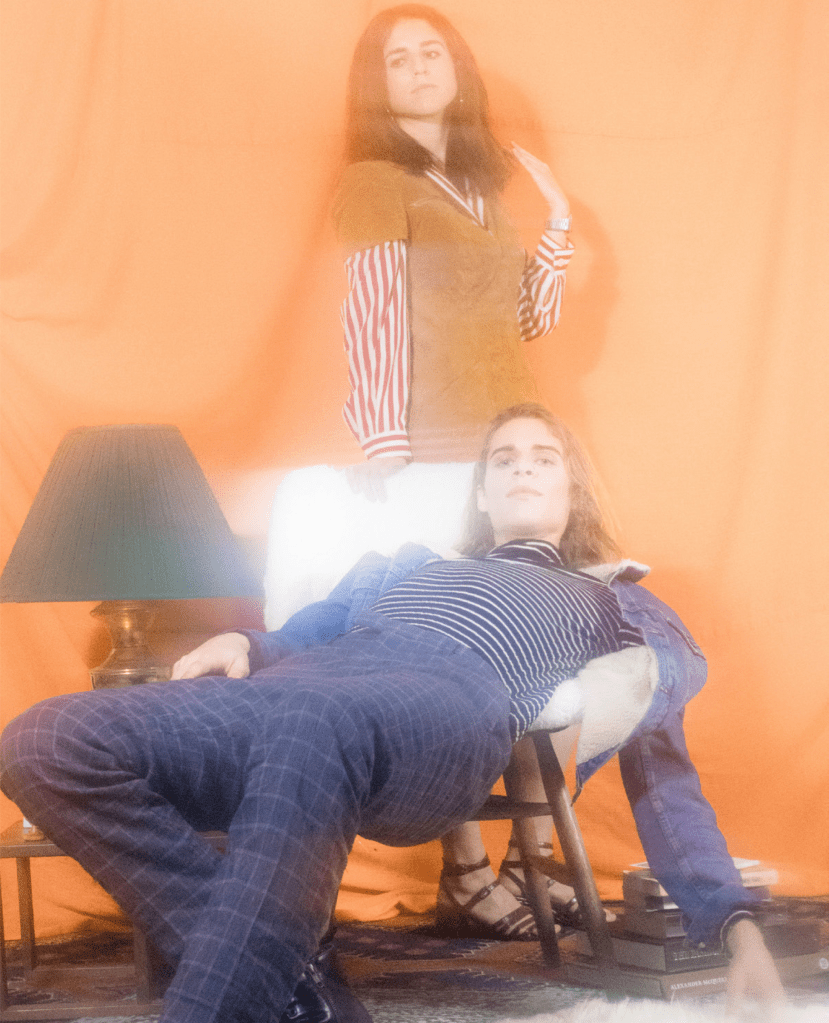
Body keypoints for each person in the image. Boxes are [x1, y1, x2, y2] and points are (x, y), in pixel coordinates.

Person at [0, 405, 784, 1023]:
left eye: (543, 457)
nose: (522, 466)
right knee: (44, 739)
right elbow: (306, 634)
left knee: (311, 718)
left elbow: (661, 770)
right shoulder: (408, 563)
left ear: (571, 489)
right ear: (481, 492)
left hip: (451, 708)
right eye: (503, 457)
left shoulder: (613, 597)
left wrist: (732, 921)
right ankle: (303, 990)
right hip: (306, 686)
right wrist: (244, 641)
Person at [335, 4, 574, 497]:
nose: (419, 69)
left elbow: (529, 321)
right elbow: (375, 316)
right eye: (398, 60)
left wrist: (558, 219)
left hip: (518, 436)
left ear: (456, 68)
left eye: (431, 53)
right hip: (439, 438)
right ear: (375, 84)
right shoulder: (372, 182)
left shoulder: (481, 192)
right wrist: (384, 447)